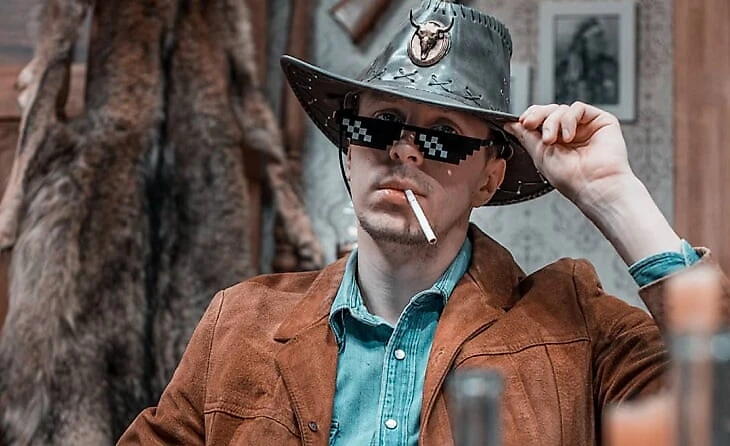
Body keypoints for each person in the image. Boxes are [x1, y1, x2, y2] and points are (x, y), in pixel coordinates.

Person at [118, 1, 726, 445]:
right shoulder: (238, 325)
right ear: (349, 153)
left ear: (489, 178)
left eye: (444, 137)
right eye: (379, 124)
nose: (404, 151)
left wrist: (614, 195)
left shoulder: (575, 324)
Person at [555, 17, 619, 105]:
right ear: (584, 41)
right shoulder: (565, 67)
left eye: (601, 36)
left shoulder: (609, 65)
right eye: (596, 37)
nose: (601, 41)